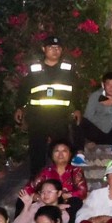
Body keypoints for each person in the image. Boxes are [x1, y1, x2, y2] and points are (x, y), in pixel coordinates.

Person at [26, 35, 78, 174]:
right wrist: (20, 107)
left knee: (61, 150)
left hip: (60, 116)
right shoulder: (35, 68)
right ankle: (36, 183)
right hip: (38, 115)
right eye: (51, 47)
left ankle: (63, 179)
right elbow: (24, 89)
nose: (55, 50)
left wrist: (77, 108)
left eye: (58, 48)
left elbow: (76, 90)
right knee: (37, 150)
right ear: (44, 49)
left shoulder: (68, 69)